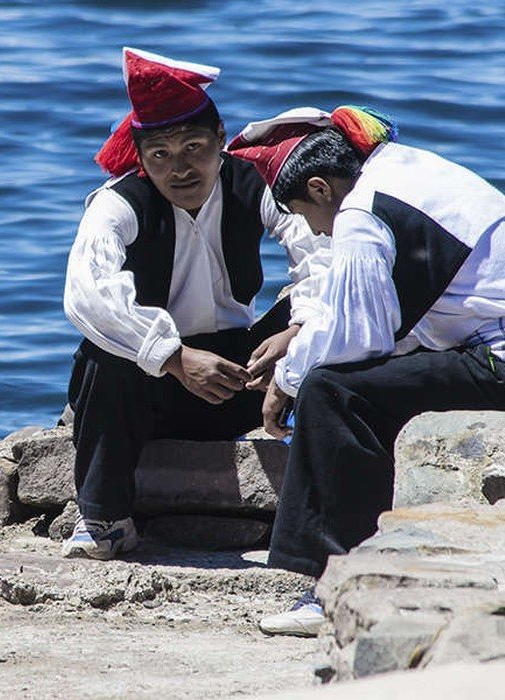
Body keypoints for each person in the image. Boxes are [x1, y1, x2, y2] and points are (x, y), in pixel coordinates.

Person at [227, 106, 505, 636]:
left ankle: (329, 578)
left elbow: (359, 337)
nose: (318, 231)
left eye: (308, 217)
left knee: (332, 392)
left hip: (498, 358)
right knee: (357, 380)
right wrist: (301, 338)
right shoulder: (401, 167)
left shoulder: (358, 214)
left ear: (321, 188)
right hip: (488, 339)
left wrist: (286, 380)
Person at [61, 47, 331, 560]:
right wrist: (174, 357)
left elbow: (320, 251)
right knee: (102, 351)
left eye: (193, 148)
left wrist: (298, 335)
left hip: (243, 374)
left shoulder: (254, 183)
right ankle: (105, 520)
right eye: (160, 154)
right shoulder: (117, 204)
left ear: (221, 142)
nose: (180, 168)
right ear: (140, 159)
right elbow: (85, 292)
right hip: (153, 385)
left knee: (330, 309)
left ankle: (326, 500)